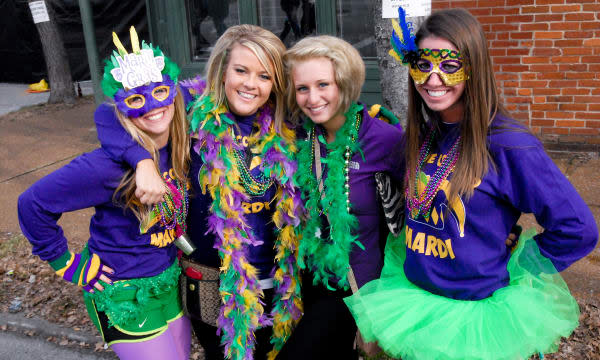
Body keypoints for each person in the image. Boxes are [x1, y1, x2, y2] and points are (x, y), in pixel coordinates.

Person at [344, 7, 599, 360]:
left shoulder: (510, 144)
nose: (433, 80)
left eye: (449, 65)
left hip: (474, 324)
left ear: (473, 68)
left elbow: (577, 229)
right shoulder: (423, 135)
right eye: (422, 64)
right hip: (414, 302)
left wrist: (520, 264)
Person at [92, 25, 303, 360]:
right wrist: (141, 160)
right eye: (241, 71)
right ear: (221, 69)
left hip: (280, 285)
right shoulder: (188, 108)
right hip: (213, 288)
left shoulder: (289, 122)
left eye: (265, 75)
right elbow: (108, 113)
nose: (251, 84)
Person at [17, 27, 192, 360]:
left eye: (159, 92)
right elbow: (32, 204)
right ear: (123, 107)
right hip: (124, 290)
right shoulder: (104, 167)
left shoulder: (180, 143)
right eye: (137, 99)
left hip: (168, 281)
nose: (152, 106)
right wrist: (66, 263)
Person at [275, 35, 405, 360]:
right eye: (302, 88)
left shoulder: (384, 139)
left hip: (359, 288)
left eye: (323, 85)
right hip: (312, 279)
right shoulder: (299, 135)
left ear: (345, 83)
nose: (312, 98)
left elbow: (421, 205)